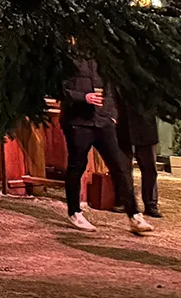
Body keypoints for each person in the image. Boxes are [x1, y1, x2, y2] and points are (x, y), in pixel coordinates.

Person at [60, 57, 153, 234]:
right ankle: (74, 212)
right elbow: (59, 88)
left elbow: (111, 90)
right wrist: (83, 97)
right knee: (76, 167)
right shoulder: (69, 58)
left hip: (103, 122)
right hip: (78, 123)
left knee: (119, 166)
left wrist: (112, 115)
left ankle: (134, 215)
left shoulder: (104, 59)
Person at [116, 91, 163, 219]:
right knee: (123, 168)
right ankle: (125, 202)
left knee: (149, 169)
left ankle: (151, 204)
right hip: (123, 124)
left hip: (145, 125)